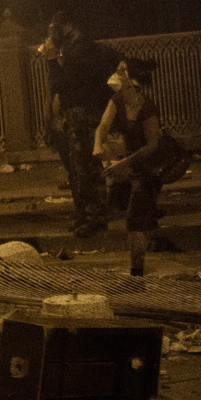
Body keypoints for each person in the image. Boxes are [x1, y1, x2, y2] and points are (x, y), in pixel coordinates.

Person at [41, 12, 119, 236]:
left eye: (54, 29)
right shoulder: (75, 51)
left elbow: (61, 85)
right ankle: (85, 216)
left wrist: (51, 60)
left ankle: (95, 218)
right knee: (79, 170)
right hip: (78, 117)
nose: (51, 35)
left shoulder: (82, 51)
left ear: (68, 27)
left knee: (88, 169)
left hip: (85, 117)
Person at [92, 65, 164, 276]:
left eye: (123, 89)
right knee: (132, 215)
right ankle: (146, 240)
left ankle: (136, 273)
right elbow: (103, 127)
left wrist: (122, 164)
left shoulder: (147, 108)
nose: (119, 94)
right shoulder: (117, 101)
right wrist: (98, 145)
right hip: (128, 164)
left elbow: (152, 147)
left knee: (134, 220)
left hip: (148, 167)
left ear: (134, 88)